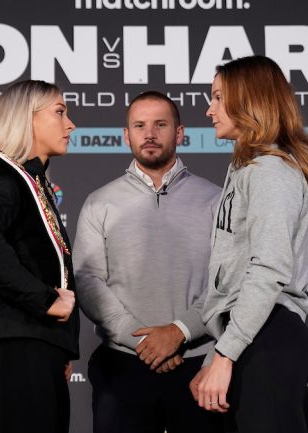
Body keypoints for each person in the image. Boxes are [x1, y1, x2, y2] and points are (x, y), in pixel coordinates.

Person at [190, 55, 308, 433]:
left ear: (248, 102)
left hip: (267, 338)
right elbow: (232, 283)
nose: (209, 110)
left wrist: (223, 355)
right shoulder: (249, 168)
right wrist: (215, 356)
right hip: (251, 336)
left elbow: (267, 269)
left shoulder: (270, 171)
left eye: (218, 98)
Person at [74, 91, 223, 433]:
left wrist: (178, 332)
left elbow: (227, 281)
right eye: (139, 126)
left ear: (180, 133)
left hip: (200, 365)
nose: (150, 134)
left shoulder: (216, 199)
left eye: (160, 124)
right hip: (123, 363)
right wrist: (142, 341)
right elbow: (88, 281)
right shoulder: (100, 203)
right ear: (126, 136)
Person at [0, 80, 79, 433]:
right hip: (17, 354)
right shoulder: (8, 183)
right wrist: (44, 300)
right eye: (60, 112)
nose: (71, 124)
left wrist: (58, 345)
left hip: (34, 354)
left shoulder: (31, 184)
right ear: (28, 119)